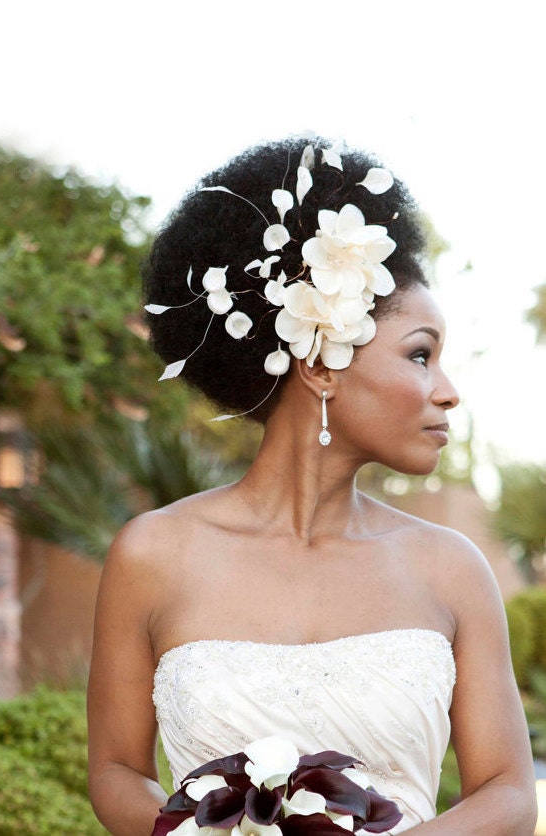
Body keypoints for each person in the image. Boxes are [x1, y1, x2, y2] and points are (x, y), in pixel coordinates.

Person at [87, 135, 537, 835]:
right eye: (420, 355)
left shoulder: (451, 569)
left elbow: (508, 792)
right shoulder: (151, 554)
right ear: (321, 365)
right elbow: (115, 769)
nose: (447, 393)